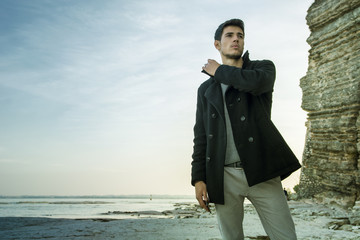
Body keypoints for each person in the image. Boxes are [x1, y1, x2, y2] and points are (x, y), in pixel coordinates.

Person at [191, 18, 301, 240]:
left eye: (240, 36)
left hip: (262, 170)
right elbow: (201, 135)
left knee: (286, 236)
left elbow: (257, 83)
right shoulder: (205, 89)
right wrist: (198, 178)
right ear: (217, 44)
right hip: (223, 176)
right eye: (229, 35)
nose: (235, 39)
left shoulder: (262, 68)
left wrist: (218, 71)